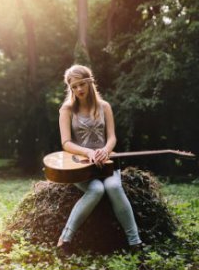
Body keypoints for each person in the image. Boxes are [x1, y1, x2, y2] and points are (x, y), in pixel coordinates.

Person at [57, 64, 142, 255]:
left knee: (112, 186)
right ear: (70, 88)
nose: (79, 89)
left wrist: (104, 150)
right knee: (96, 189)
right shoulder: (67, 109)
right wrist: (88, 153)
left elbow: (112, 138)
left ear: (90, 83)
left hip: (107, 163)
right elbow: (66, 143)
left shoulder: (105, 107)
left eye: (82, 84)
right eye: (74, 86)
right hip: (81, 166)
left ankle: (135, 242)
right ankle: (65, 240)